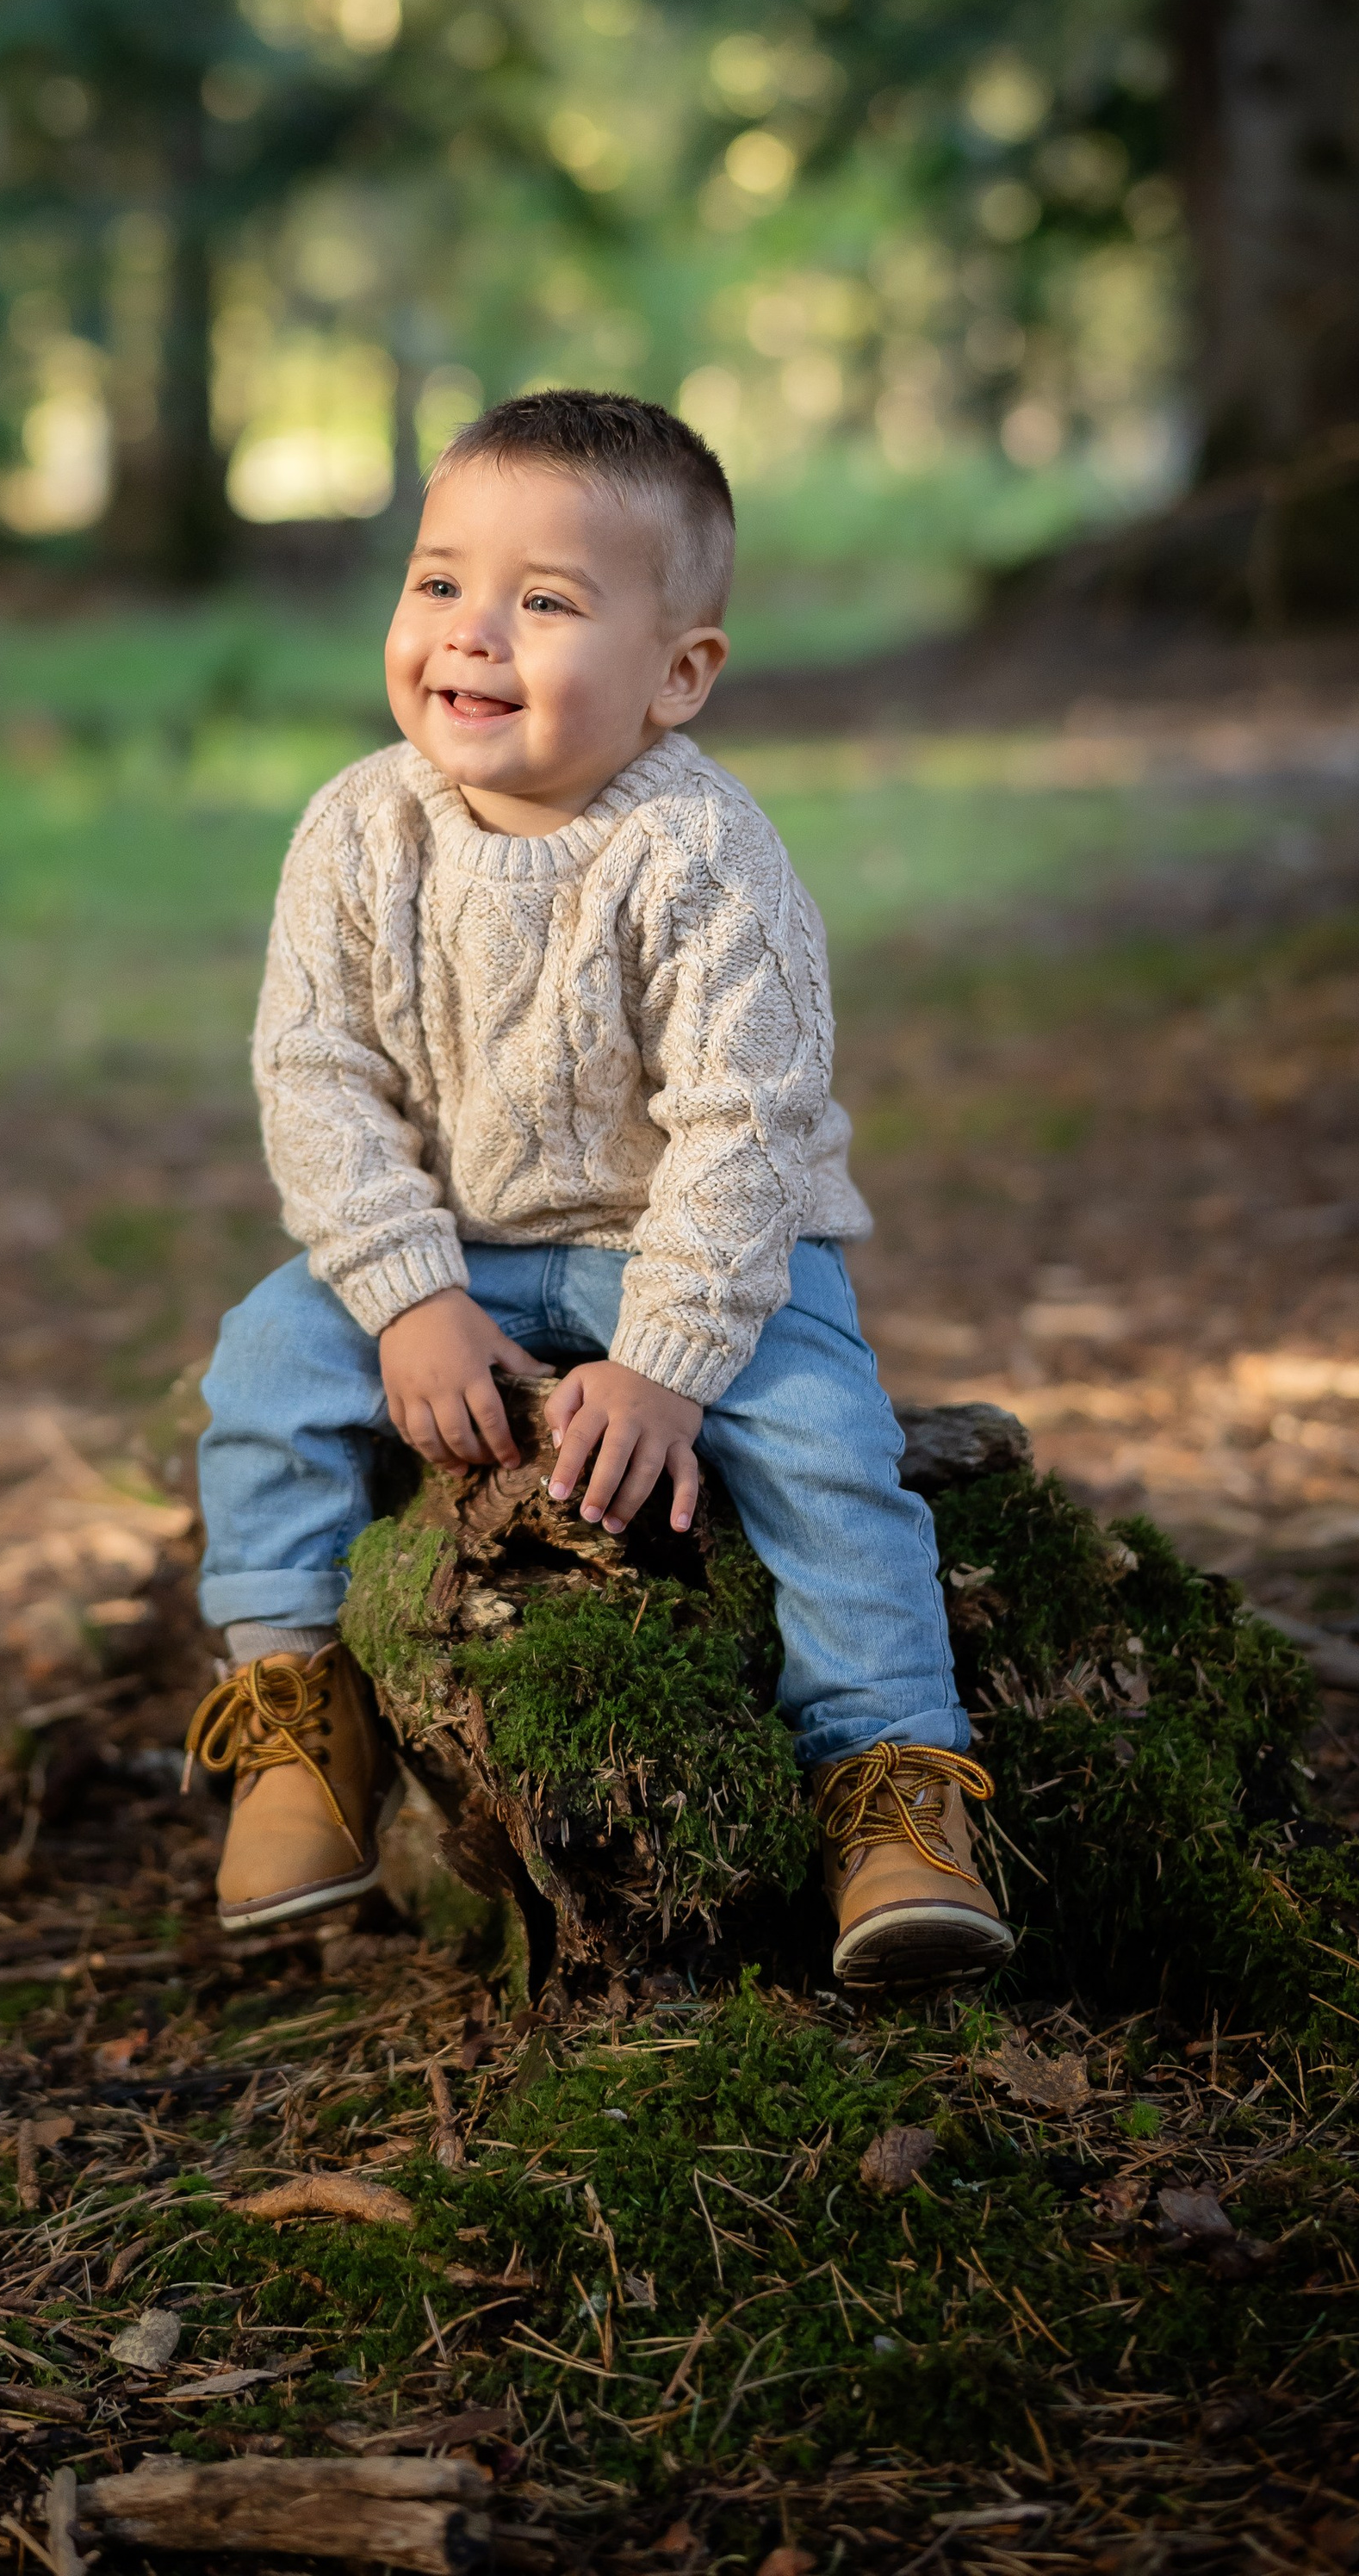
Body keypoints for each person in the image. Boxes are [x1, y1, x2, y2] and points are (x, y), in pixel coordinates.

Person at [181, 389, 1010, 1989]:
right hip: (454, 1250)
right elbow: (317, 1077)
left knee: (832, 1452)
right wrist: (409, 1298)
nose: (471, 636)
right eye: (438, 583)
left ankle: (892, 1785)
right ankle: (296, 1713)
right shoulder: (357, 829)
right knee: (267, 1365)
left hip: (691, 1249)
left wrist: (672, 1363)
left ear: (676, 677)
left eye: (545, 602)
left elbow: (747, 1130)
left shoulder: (702, 858)